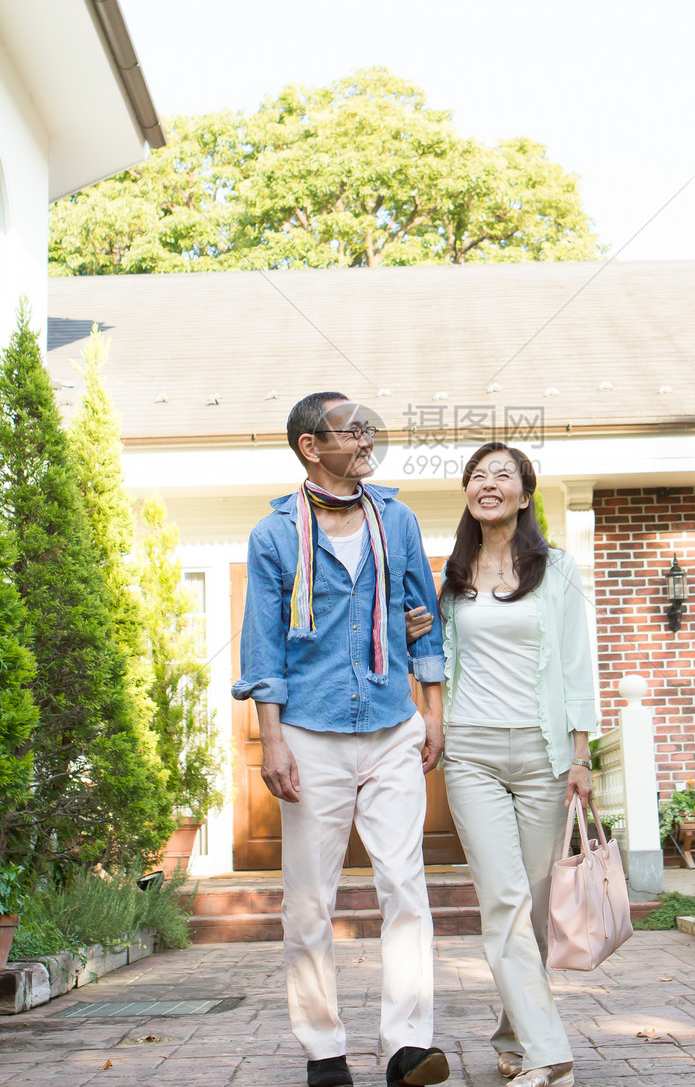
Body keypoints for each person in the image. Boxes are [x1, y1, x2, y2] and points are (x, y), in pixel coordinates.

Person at [232, 392, 450, 1087]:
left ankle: (408, 1045)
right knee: (309, 901)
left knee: (405, 888)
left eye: (368, 428)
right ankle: (324, 1050)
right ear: (310, 447)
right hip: (310, 732)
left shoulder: (398, 518)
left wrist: (433, 711)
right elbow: (262, 647)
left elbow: (426, 615)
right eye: (350, 430)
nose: (366, 439)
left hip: (392, 725)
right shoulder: (273, 536)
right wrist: (271, 740)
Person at [407, 443, 596, 1087]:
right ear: (467, 493)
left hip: (543, 753)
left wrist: (580, 755)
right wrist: (417, 635)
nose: (489, 485)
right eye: (478, 476)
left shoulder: (558, 569)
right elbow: (433, 660)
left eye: (503, 476)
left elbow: (577, 665)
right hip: (471, 753)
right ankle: (550, 1053)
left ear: (525, 494)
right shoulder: (451, 579)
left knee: (536, 905)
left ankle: (514, 1033)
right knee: (505, 899)